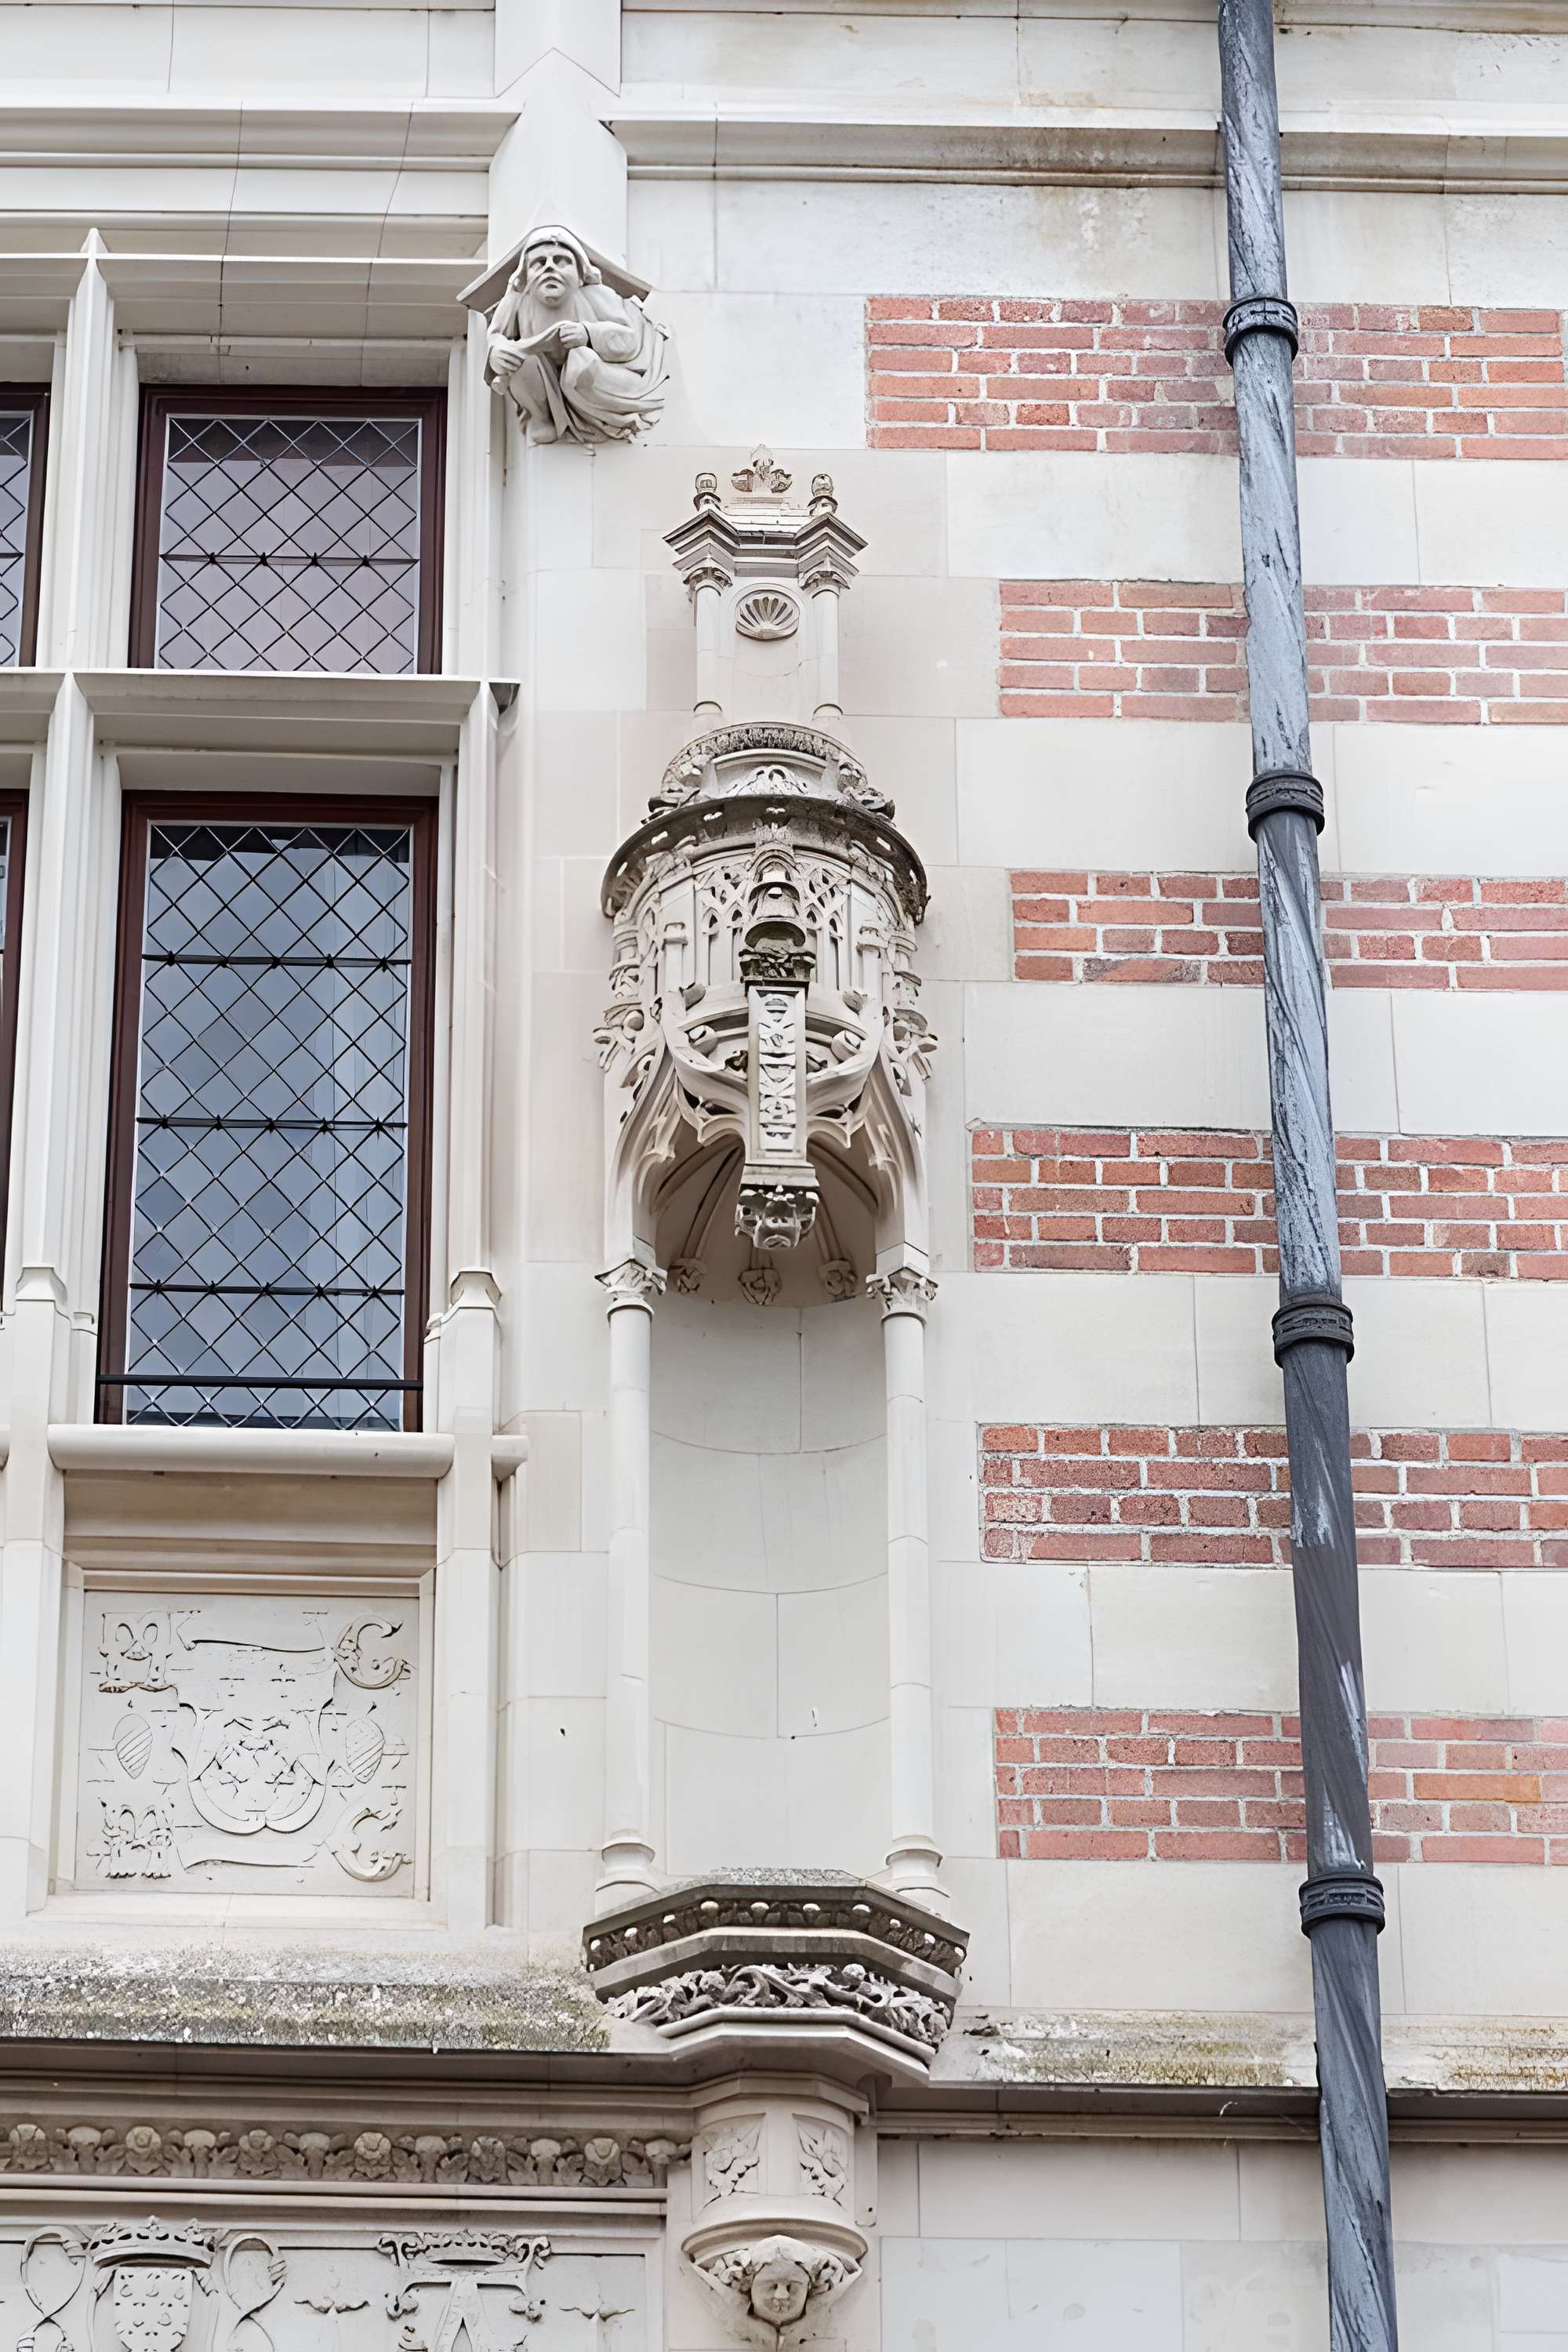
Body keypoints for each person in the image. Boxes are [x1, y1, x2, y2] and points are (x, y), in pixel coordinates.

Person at [485, 225, 668, 445]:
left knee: (582, 359)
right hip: (542, 379)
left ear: (581, 274)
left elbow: (628, 341)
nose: (550, 268)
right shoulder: (516, 301)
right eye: (539, 263)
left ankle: (597, 413)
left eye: (561, 261)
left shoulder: (597, 295)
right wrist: (497, 352)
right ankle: (542, 418)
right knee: (518, 356)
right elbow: (496, 336)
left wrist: (588, 333)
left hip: (588, 376)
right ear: (525, 275)